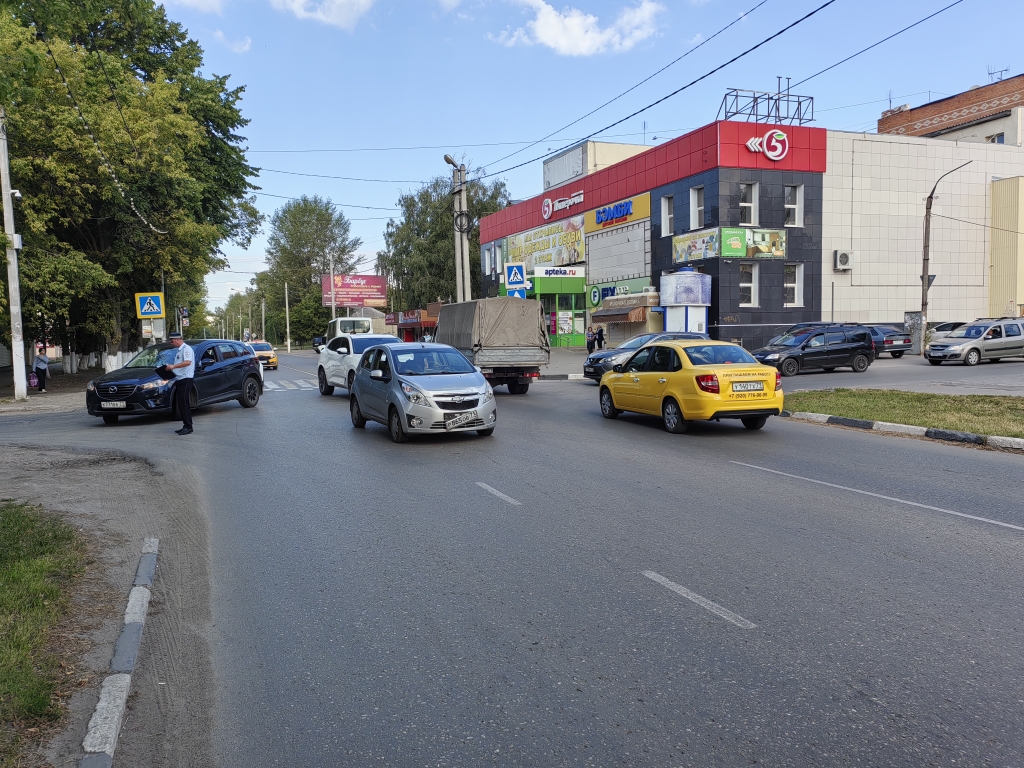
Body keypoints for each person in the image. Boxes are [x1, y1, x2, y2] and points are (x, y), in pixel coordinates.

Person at [164, 332, 195, 435]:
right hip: (180, 379)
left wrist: (172, 367)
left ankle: (188, 426)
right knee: (181, 403)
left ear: (177, 339)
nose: (171, 343)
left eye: (172, 341)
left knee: (184, 403)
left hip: (186, 379)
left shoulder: (186, 349)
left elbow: (187, 362)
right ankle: (185, 425)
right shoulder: (179, 350)